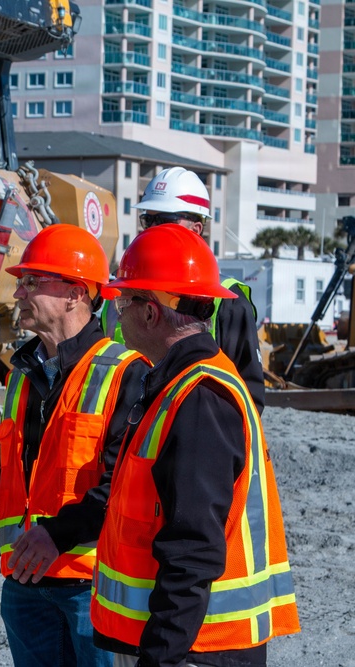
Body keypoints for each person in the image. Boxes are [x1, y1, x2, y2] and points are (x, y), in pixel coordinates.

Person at [0, 224, 150, 667]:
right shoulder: (24, 374)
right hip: (26, 586)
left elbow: (125, 488)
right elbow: (16, 464)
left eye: (33, 282)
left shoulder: (125, 373)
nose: (19, 293)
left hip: (91, 585)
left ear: (75, 293)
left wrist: (58, 535)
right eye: (21, 282)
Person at [91, 223, 300, 667]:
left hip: (198, 650)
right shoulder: (179, 385)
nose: (118, 316)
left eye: (124, 302)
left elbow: (193, 551)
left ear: (151, 313)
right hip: (194, 644)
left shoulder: (199, 398)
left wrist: (161, 658)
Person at [101, 166, 266, 412]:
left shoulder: (227, 299)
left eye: (164, 220)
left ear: (196, 229)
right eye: (148, 219)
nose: (152, 228)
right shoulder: (119, 290)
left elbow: (247, 396)